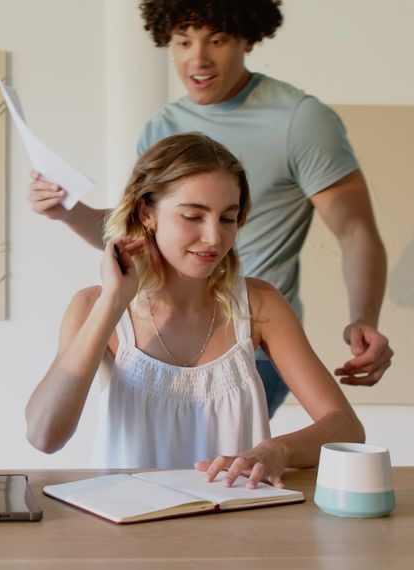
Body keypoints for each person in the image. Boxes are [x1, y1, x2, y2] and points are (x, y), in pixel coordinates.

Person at [28, 0, 392, 417]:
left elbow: (355, 231)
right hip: (161, 331)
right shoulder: (161, 126)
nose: (197, 58)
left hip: (252, 337)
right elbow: (137, 233)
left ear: (246, 39)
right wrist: (66, 210)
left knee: (216, 467)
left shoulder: (300, 120)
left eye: (216, 40)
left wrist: (364, 318)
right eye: (183, 41)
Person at [25, 133, 364, 487]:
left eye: (228, 219)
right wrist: (113, 300)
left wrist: (278, 450)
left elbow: (346, 428)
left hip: (233, 528)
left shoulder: (260, 304)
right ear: (147, 212)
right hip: (126, 532)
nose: (214, 238)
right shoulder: (93, 306)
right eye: (192, 216)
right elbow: (44, 435)